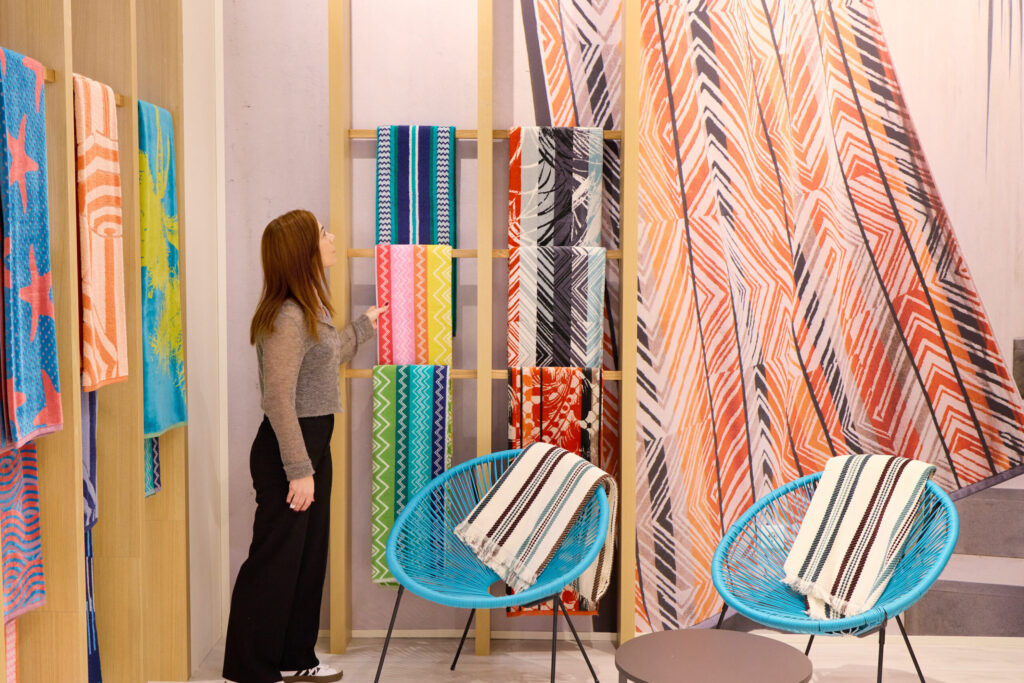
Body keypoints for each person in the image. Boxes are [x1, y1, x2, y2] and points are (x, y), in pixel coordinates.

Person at [223, 209, 386, 683]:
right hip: (288, 452)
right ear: (302, 251)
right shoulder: (286, 317)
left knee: (307, 559)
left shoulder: (307, 310)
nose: (331, 237)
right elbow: (277, 398)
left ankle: (296, 658)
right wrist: (298, 469)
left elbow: (328, 357)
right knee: (275, 561)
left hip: (313, 445)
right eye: (322, 233)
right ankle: (249, 669)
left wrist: (364, 325)